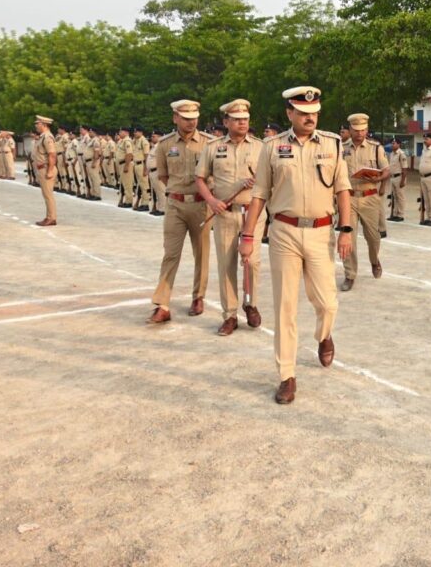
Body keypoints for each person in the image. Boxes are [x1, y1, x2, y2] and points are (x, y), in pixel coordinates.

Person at [238, 86, 353, 405]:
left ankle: (323, 335)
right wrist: (248, 236)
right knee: (285, 307)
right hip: (284, 233)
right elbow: (259, 194)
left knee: (327, 303)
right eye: (303, 113)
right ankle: (286, 375)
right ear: (290, 113)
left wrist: (346, 229)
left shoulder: (332, 143)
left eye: (314, 113)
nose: (310, 118)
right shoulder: (272, 147)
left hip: (320, 232)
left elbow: (343, 189)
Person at [196, 99, 264, 336]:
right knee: (227, 265)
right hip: (225, 213)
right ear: (226, 122)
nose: (242, 123)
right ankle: (230, 314)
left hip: (253, 214)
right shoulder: (213, 147)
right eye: (236, 119)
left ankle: (250, 303)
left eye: (245, 119)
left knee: (252, 262)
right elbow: (199, 178)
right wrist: (211, 201)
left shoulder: (260, 147)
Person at [147, 100, 213, 324]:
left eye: (194, 118)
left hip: (201, 206)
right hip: (175, 205)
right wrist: (178, 193)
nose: (191, 122)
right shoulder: (165, 144)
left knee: (201, 253)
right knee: (171, 254)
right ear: (175, 118)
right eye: (186, 118)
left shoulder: (209, 143)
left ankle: (198, 297)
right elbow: (163, 176)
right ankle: (163, 304)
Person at [340, 113, 388, 290]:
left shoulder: (376, 148)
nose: (360, 133)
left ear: (367, 130)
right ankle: (350, 275)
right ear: (350, 129)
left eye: (363, 130)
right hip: (349, 198)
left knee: (373, 237)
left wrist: (379, 178)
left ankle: (374, 260)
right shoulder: (341, 148)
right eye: (356, 130)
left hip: (370, 197)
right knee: (348, 237)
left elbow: (386, 170)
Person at [32, 115, 58, 226]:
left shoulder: (47, 137)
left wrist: (50, 171)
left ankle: (51, 218)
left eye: (37, 124)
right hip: (42, 168)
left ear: (44, 125)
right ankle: (49, 216)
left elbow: (52, 155)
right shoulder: (42, 137)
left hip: (46, 168)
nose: (36, 126)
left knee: (48, 195)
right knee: (46, 194)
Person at [386, 138, 409, 221]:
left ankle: (400, 215)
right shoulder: (392, 154)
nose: (392, 145)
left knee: (400, 197)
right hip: (393, 178)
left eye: (394, 143)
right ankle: (395, 214)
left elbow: (404, 168)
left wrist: (403, 180)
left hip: (399, 177)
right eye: (392, 143)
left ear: (399, 144)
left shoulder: (401, 154)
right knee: (394, 197)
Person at [133, 127, 152, 211]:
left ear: (141, 132)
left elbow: (146, 156)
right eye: (134, 132)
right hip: (136, 164)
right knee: (140, 185)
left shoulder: (144, 141)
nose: (135, 133)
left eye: (136, 132)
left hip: (142, 165)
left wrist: (145, 169)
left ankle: (145, 203)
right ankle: (142, 202)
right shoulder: (136, 141)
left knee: (144, 185)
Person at [148, 130, 166, 216]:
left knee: (161, 191)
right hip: (152, 171)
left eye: (154, 136)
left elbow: (163, 160)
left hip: (157, 171)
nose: (152, 138)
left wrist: (161, 172)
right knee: (157, 192)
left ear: (160, 137)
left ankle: (163, 209)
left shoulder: (160, 146)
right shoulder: (155, 146)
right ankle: (159, 207)